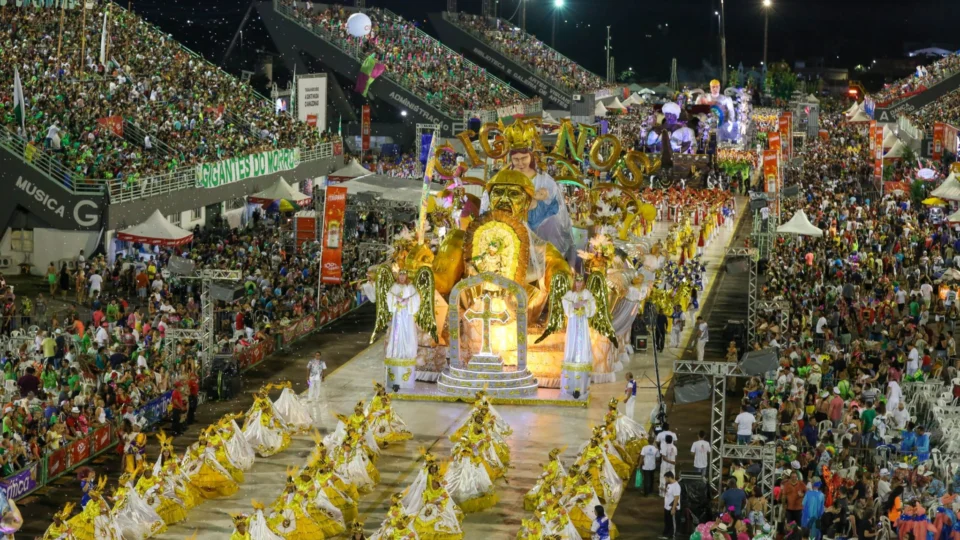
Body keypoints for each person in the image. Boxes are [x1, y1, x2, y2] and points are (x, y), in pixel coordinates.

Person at [561, 274, 597, 397]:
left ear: (583, 283)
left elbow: (592, 304)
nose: (578, 285)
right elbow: (565, 301)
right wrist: (573, 306)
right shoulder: (570, 294)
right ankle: (570, 384)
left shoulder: (587, 293)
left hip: (582, 322)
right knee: (572, 341)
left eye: (580, 283)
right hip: (573, 322)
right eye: (577, 282)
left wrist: (585, 304)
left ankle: (581, 385)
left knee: (582, 343)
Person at [384, 270, 421, 388]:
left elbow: (416, 298)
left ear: (406, 276)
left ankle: (406, 353)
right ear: (398, 277)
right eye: (400, 275)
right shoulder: (394, 287)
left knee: (407, 333)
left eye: (403, 275)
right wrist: (396, 300)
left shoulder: (410, 287)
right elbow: (389, 296)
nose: (401, 277)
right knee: (397, 333)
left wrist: (407, 301)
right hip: (398, 315)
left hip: (407, 315)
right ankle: (396, 352)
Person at [662, 471, 680, 539]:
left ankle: (672, 536)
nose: (665, 480)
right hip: (666, 507)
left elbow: (676, 498)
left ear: (669, 477)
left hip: (672, 508)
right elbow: (669, 493)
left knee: (672, 523)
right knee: (667, 522)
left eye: (666, 478)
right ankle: (666, 535)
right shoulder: (669, 484)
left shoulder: (676, 486)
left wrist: (673, 508)